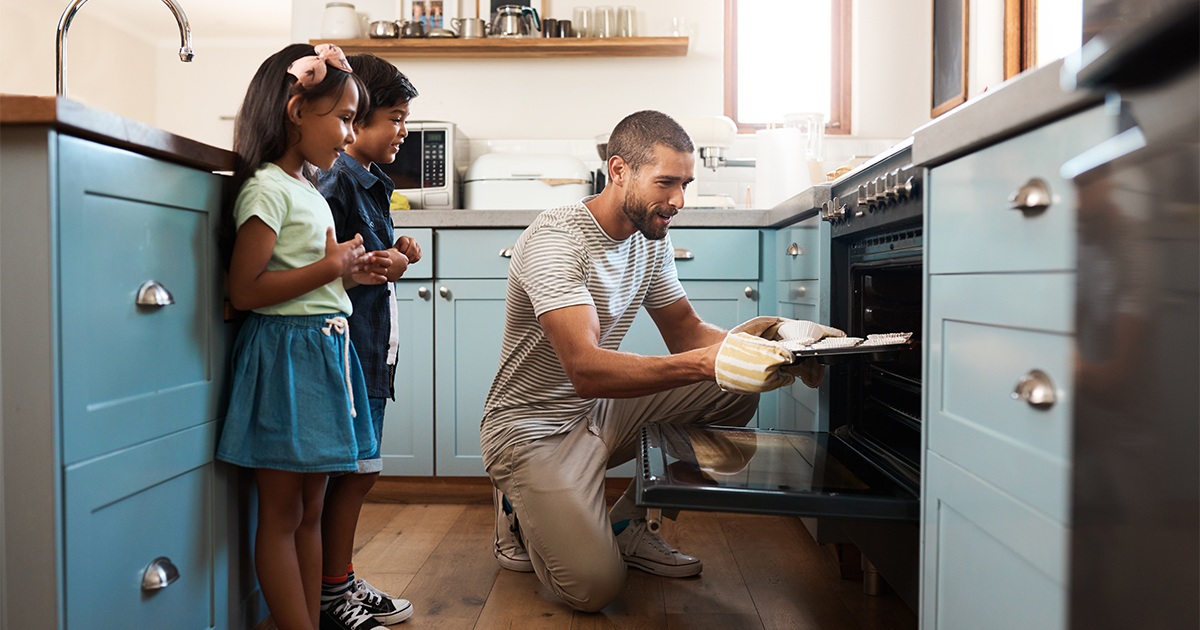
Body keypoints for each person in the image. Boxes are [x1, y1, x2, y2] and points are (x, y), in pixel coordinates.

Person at [481, 110, 788, 612]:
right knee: (594, 588)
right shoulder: (559, 240)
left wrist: (772, 345)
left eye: (685, 183)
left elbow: (687, 332)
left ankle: (632, 526)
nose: (679, 201)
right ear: (618, 170)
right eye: (666, 182)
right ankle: (517, 503)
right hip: (529, 430)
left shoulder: (650, 237)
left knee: (737, 387)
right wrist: (713, 362)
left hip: (599, 413)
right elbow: (586, 369)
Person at [214, 43, 389, 630]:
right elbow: (246, 289)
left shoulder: (307, 190)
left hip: (321, 353)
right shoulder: (266, 189)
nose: (348, 133)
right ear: (296, 110)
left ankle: (307, 620)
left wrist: (353, 271)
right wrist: (331, 268)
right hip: (288, 356)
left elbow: (313, 275)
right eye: (342, 118)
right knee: (284, 514)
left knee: (311, 511)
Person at [316, 53, 422, 629]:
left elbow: (363, 259)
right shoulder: (337, 182)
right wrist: (380, 264)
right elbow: (325, 263)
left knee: (362, 470)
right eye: (396, 119)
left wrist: (397, 251)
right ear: (354, 122)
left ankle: (340, 577)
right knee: (355, 472)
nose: (402, 132)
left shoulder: (370, 182)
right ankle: (332, 591)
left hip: (370, 350)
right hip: (350, 352)